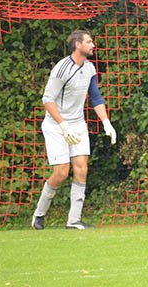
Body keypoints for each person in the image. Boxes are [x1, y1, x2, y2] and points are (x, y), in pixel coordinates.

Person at [30, 29, 116, 230]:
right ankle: (39, 215)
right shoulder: (62, 68)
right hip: (56, 125)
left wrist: (106, 122)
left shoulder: (90, 68)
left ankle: (74, 220)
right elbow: (47, 99)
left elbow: (95, 97)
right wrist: (63, 125)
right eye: (89, 41)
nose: (93, 45)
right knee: (61, 172)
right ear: (78, 45)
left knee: (81, 168)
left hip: (77, 124)